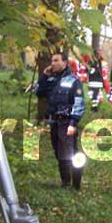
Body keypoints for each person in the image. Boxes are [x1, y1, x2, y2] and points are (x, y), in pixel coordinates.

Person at [35, 53, 86, 190]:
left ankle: (74, 183)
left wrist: (74, 122)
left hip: (67, 121)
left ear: (65, 63)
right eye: (52, 60)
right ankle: (65, 180)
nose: (53, 63)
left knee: (70, 153)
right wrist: (44, 76)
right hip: (54, 122)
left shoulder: (73, 81)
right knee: (59, 152)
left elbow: (79, 103)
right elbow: (39, 92)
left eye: (56, 60)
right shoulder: (51, 79)